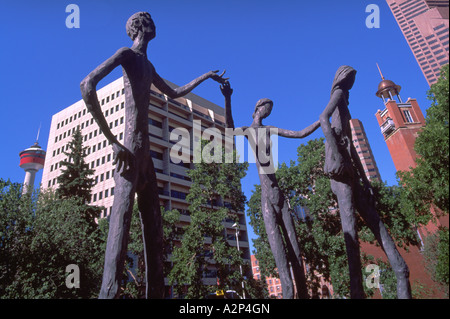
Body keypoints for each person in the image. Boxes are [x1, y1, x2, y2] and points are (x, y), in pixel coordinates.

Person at [80, 12, 227, 299]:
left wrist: (206, 76)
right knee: (119, 233)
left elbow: (174, 93)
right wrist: (112, 142)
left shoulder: (147, 64)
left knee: (155, 231)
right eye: (148, 19)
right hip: (129, 153)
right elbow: (87, 84)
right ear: (139, 27)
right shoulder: (127, 55)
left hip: (144, 154)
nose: (154, 23)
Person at [220, 81, 320, 299]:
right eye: (266, 107)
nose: (268, 111)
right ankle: (288, 293)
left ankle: (302, 294)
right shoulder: (249, 130)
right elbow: (229, 129)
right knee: (281, 259)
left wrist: (322, 119)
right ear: (257, 109)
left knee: (296, 252)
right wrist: (227, 98)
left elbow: (300, 133)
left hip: (280, 196)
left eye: (270, 109)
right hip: (267, 199)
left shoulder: (270, 129)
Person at [319, 65, 411, 299]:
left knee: (374, 221)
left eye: (353, 80)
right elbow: (323, 119)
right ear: (342, 79)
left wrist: (366, 181)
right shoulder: (338, 95)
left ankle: (401, 271)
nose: (351, 83)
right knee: (351, 234)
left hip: (351, 173)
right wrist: (338, 156)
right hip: (342, 176)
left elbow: (353, 149)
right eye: (349, 79)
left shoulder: (344, 101)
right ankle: (358, 290)